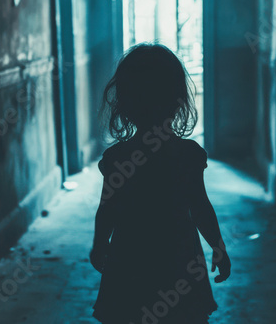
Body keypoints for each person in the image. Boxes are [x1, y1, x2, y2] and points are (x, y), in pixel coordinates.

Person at [90, 43, 231, 324]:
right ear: (178, 100)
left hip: (129, 258)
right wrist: (218, 246)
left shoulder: (118, 157)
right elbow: (200, 207)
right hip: (177, 258)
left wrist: (98, 244)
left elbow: (107, 209)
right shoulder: (187, 155)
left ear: (125, 103)